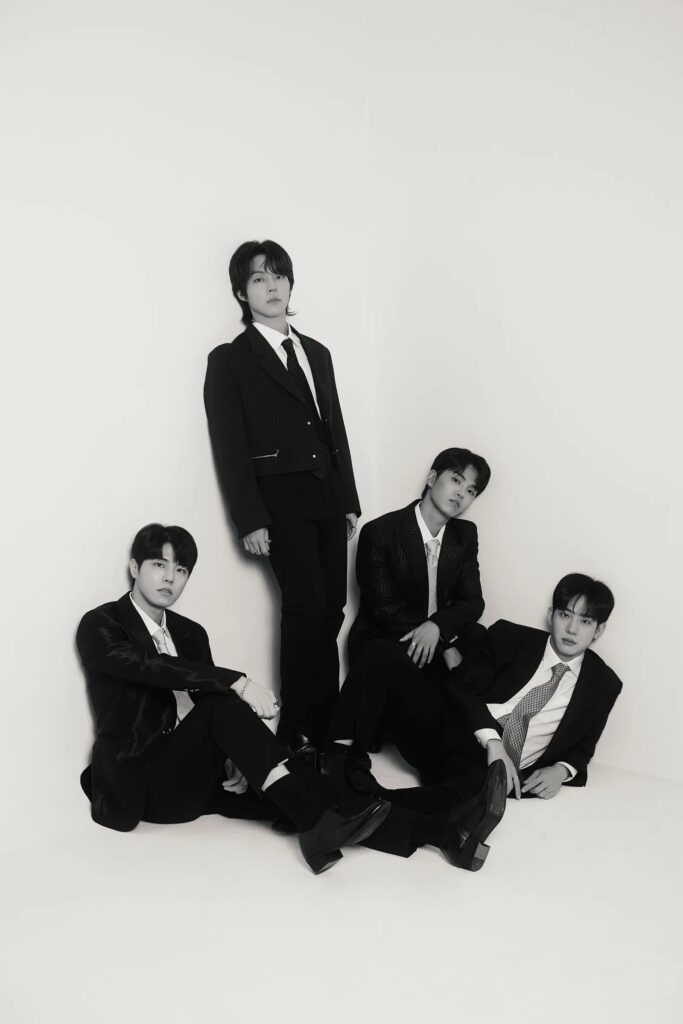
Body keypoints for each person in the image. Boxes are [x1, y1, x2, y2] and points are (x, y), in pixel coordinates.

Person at [77, 524, 508, 872]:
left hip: (197, 778)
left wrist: (232, 759)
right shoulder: (101, 624)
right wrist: (239, 682)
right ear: (134, 567)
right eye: (159, 565)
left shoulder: (190, 633)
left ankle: (443, 833)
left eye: (181, 569)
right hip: (143, 785)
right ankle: (316, 827)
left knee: (311, 788)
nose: (170, 577)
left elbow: (203, 708)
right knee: (228, 706)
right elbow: (150, 668)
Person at [203, 240, 359, 753]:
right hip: (279, 496)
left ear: (290, 283)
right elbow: (229, 444)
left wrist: (348, 498)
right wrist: (249, 517)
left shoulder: (318, 352)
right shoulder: (231, 359)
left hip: (328, 493)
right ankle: (297, 728)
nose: (271, 287)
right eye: (258, 279)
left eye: (278, 276)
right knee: (304, 606)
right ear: (241, 293)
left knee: (332, 606)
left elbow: (335, 428)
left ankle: (324, 724)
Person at [329, 573, 622, 814]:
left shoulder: (604, 684)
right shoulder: (510, 637)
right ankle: (337, 761)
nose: (572, 629)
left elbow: (584, 746)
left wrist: (562, 770)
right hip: (449, 728)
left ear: (599, 630)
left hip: (482, 772)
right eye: (565, 615)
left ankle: (361, 805)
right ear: (551, 615)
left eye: (585, 621)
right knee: (382, 652)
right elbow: (461, 686)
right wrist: (492, 741)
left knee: (471, 794)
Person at [326, 446, 490, 766]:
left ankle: (481, 734)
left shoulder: (465, 535)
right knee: (388, 656)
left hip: (433, 641)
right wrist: (442, 645)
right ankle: (348, 752)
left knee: (481, 637)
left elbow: (473, 601)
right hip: (388, 638)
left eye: (471, 490)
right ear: (432, 478)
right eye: (456, 480)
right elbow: (384, 608)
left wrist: (438, 628)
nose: (462, 494)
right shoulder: (381, 532)